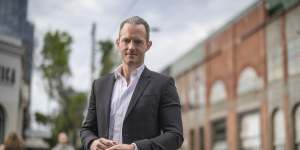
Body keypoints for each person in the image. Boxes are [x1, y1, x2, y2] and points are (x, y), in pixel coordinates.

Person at [80, 16, 183, 150]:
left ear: (148, 45)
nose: (131, 47)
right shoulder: (99, 85)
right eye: (126, 40)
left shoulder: (163, 84)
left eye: (138, 42)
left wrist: (134, 148)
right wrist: (92, 142)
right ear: (118, 43)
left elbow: (175, 135)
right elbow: (86, 129)